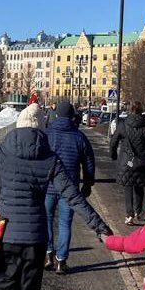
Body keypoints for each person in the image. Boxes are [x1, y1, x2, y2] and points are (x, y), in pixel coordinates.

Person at [0, 103, 112, 290]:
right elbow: (72, 195)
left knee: (3, 288)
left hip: (5, 234)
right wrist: (99, 227)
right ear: (42, 127)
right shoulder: (49, 158)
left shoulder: (3, 150)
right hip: (36, 239)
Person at [44, 100, 96, 274]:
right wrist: (88, 183)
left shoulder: (47, 133)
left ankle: (48, 254)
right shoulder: (78, 136)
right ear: (72, 115)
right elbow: (88, 162)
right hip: (70, 188)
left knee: (46, 220)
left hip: (48, 185)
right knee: (66, 223)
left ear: (57, 114)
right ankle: (61, 260)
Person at [110, 101, 145, 225]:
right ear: (141, 110)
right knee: (139, 186)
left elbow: (114, 141)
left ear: (130, 110)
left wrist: (113, 154)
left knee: (128, 187)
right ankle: (138, 212)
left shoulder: (123, 124)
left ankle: (129, 214)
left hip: (127, 161)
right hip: (142, 162)